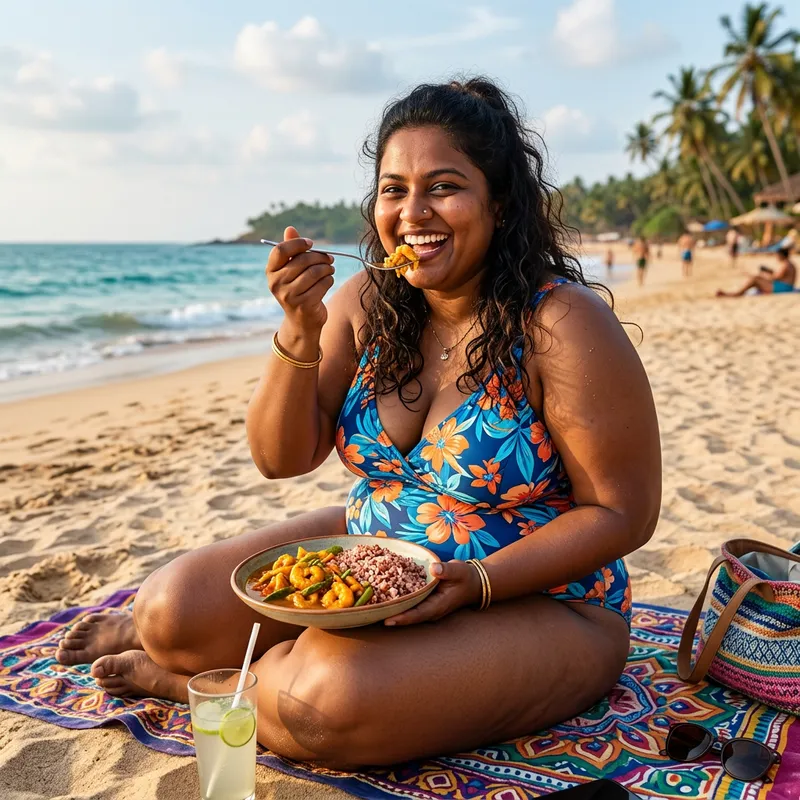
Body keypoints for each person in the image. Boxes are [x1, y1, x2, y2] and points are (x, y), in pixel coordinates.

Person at [54, 78, 661, 768]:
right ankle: (239, 670)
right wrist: (300, 331)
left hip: (546, 601)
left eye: (444, 186)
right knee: (169, 609)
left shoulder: (562, 323)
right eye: (394, 189)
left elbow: (623, 511)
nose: (413, 213)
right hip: (380, 555)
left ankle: (207, 687)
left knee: (328, 703)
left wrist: (480, 580)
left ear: (499, 202)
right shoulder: (367, 301)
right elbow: (280, 458)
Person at [716, 247, 796, 297]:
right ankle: (738, 292)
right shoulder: (789, 264)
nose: (776, 257)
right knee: (756, 278)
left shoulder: (786, 265)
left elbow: (775, 278)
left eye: (777, 255)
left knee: (755, 279)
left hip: (783, 288)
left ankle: (737, 294)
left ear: (781, 255)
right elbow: (780, 277)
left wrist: (762, 276)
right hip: (784, 287)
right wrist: (768, 273)